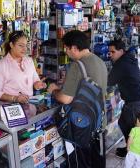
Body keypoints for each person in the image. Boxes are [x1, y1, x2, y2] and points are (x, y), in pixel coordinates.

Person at [47, 30, 107, 168]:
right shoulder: (99, 61)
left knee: (80, 164)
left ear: (74, 47)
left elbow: (65, 99)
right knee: (97, 162)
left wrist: (54, 90)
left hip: (81, 128)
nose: (66, 52)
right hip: (99, 124)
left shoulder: (77, 65)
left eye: (66, 48)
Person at [107, 39, 140, 158]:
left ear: (121, 51)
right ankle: (130, 148)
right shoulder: (127, 58)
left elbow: (109, 81)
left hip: (134, 101)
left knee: (131, 128)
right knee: (124, 123)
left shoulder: (122, 63)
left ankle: (133, 152)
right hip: (135, 99)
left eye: (113, 52)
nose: (110, 55)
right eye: (109, 52)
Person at [0, 31, 46, 103]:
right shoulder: (0, 65)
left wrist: (38, 84)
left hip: (30, 105)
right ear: (11, 45)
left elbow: (35, 79)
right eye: (20, 45)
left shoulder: (29, 61)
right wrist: (15, 98)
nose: (24, 49)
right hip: (11, 108)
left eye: (26, 45)